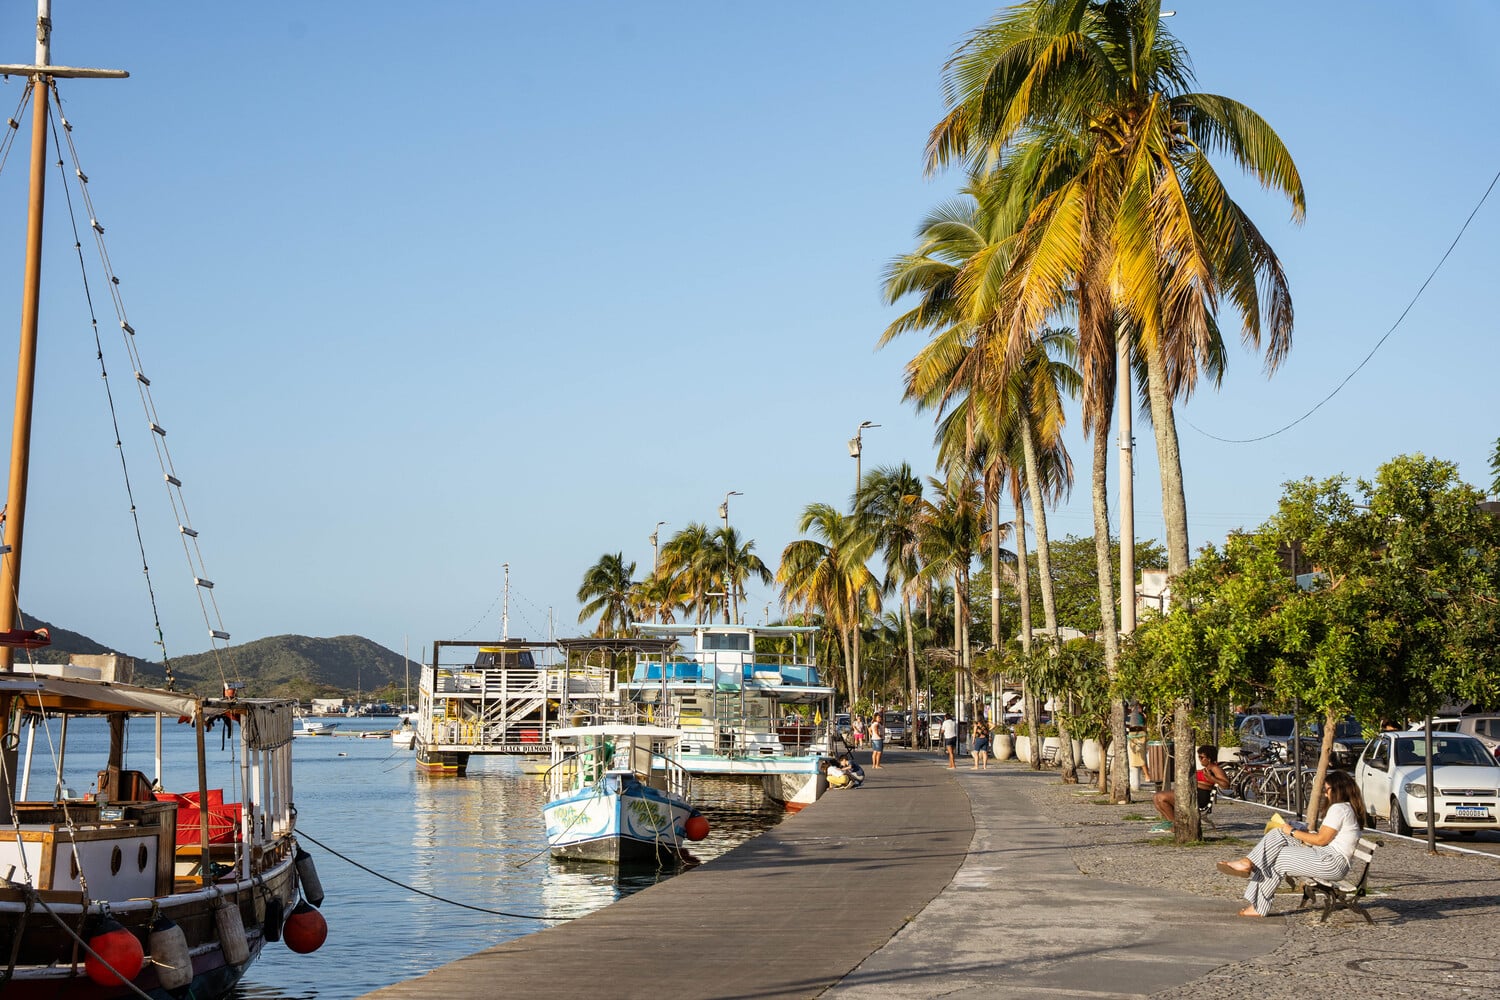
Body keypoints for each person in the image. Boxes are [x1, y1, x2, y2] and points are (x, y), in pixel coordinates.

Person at [1215, 770, 1366, 917]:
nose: (1325, 794)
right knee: (1279, 835)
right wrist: (1298, 831)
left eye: (1327, 790)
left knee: (1278, 857)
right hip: (1329, 858)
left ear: (1337, 789)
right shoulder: (1347, 808)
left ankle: (1257, 901)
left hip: (1332, 862)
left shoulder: (1339, 808)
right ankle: (1248, 866)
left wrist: (1293, 832)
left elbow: (1322, 840)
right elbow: (1327, 839)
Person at [1150, 744, 1229, 833]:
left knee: (1161, 797)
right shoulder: (1206, 769)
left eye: (1201, 757)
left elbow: (1226, 785)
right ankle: (1173, 823)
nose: (1199, 759)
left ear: (1209, 758)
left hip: (1200, 796)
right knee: (1156, 797)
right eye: (1199, 757)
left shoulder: (1215, 769)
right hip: (1192, 793)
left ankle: (1176, 825)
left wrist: (1212, 778)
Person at [1126, 704, 1151, 789]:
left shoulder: (1140, 716)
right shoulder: (1133, 716)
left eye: (1139, 708)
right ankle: (1146, 775)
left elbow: (1143, 727)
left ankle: (1147, 775)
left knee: (1141, 756)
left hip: (1139, 737)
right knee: (1139, 757)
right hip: (1134, 737)